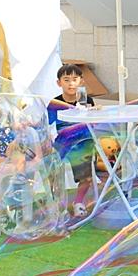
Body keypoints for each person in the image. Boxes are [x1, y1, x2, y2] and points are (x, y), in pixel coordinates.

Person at [47, 64, 97, 215]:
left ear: (81, 81)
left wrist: (93, 112)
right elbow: (48, 125)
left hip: (83, 141)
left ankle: (79, 201)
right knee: (51, 167)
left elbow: (92, 124)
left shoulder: (86, 100)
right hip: (63, 141)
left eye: (75, 79)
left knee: (87, 174)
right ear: (59, 83)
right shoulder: (55, 103)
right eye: (66, 80)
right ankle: (56, 202)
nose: (71, 83)